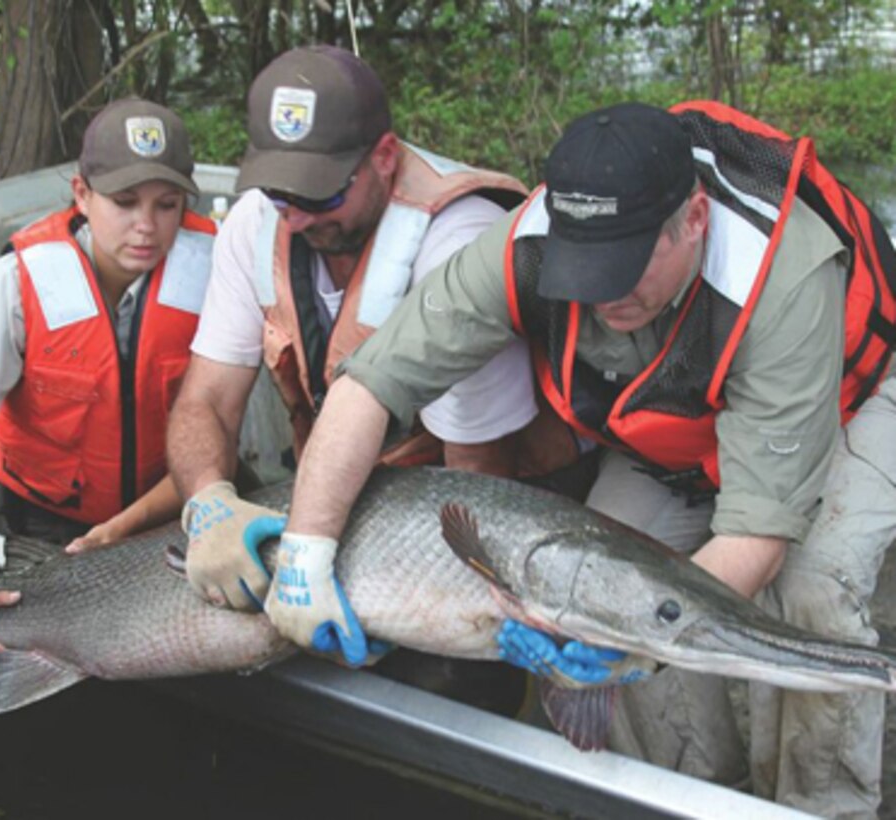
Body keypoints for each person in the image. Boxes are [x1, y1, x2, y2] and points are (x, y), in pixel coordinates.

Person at [274, 100, 896, 818]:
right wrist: (306, 552)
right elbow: (370, 387)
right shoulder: (525, 242)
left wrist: (637, 644)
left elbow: (755, 535)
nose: (601, 292)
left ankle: (819, 807)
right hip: (675, 422)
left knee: (813, 588)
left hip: (846, 394)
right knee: (599, 585)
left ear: (693, 220)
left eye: (624, 266)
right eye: (584, 265)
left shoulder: (782, 277)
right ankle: (690, 794)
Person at [167, 46, 578, 629]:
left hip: (474, 501)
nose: (297, 217)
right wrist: (206, 500)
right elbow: (204, 399)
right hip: (339, 494)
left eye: (321, 194)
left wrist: (446, 609)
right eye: (281, 194)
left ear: (385, 157)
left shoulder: (456, 241)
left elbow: (477, 473)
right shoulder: (259, 223)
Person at [0, 98, 215, 665]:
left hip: (175, 514)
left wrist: (127, 526)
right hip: (44, 530)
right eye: (124, 203)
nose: (146, 225)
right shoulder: (16, 285)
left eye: (166, 205)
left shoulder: (218, 274)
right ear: (81, 195)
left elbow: (218, 439)